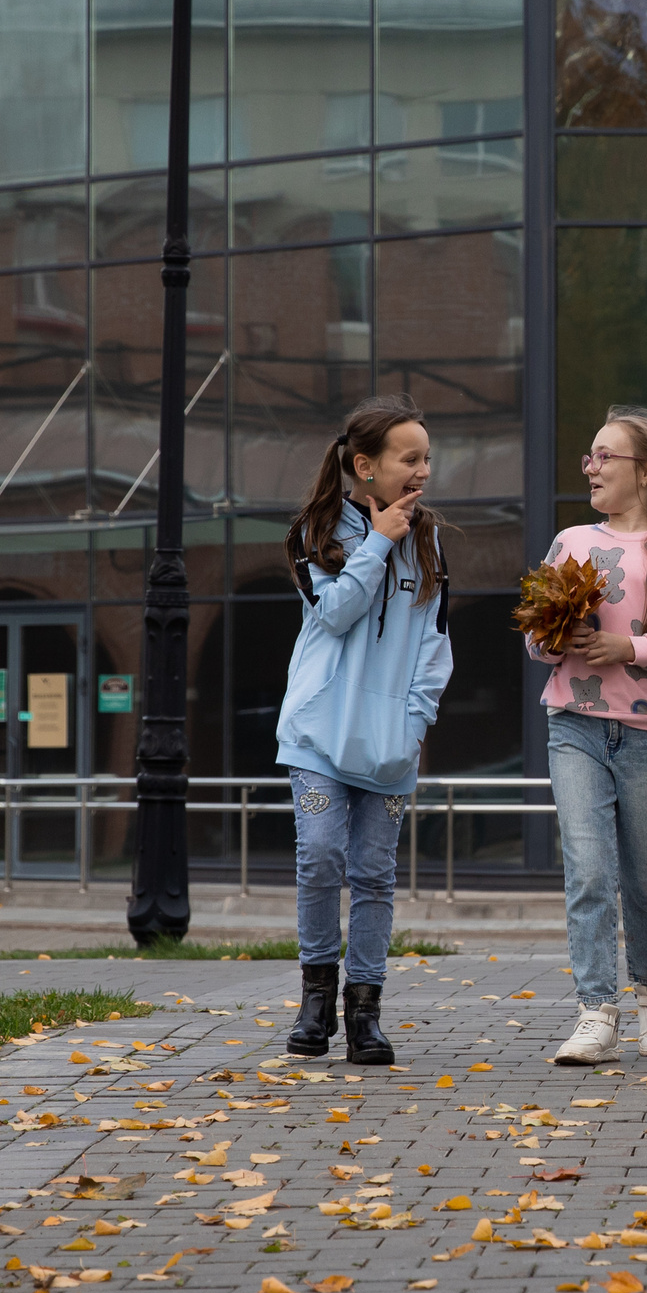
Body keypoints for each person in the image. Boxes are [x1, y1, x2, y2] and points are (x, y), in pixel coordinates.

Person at [532, 406, 647, 1065]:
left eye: (603, 455)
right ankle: (595, 1009)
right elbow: (534, 637)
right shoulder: (571, 541)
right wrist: (557, 630)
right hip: (576, 726)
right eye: (589, 455)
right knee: (588, 873)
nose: (590, 466)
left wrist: (627, 645)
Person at [275, 394, 454, 1065]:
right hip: (318, 734)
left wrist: (413, 724)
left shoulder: (430, 538)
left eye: (427, 458)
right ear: (365, 465)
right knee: (320, 854)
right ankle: (315, 997)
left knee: (375, 872)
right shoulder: (313, 532)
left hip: (390, 745)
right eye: (410, 458)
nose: (423, 471)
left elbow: (436, 647)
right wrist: (378, 541)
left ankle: (366, 1012)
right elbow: (335, 614)